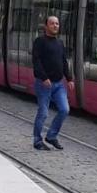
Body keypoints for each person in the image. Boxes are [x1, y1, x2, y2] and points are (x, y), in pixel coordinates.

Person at [32, 15, 72, 151]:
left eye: (57, 24)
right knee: (43, 112)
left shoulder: (60, 43)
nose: (55, 26)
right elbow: (36, 62)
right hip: (44, 84)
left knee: (64, 109)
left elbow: (64, 62)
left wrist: (69, 78)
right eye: (52, 23)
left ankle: (51, 136)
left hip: (58, 84)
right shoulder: (40, 42)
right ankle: (37, 140)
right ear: (46, 26)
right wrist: (44, 78)